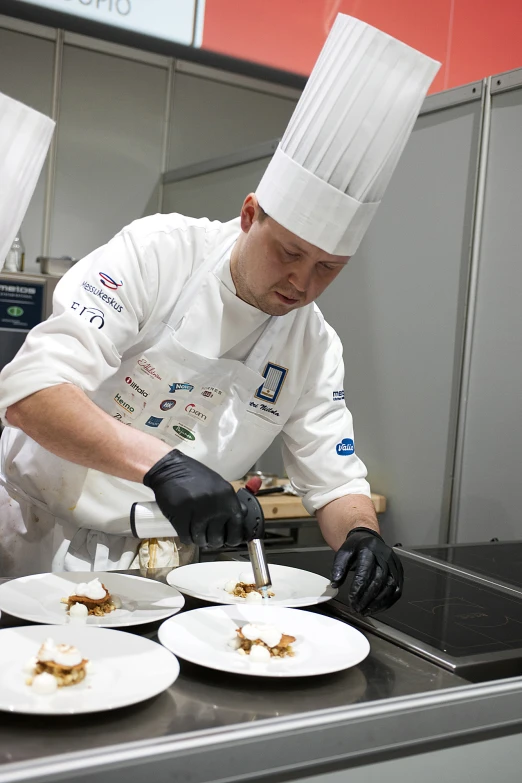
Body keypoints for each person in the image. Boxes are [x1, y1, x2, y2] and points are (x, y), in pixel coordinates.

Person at [0, 14, 439, 614]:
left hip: (164, 569)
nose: (301, 283)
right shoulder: (160, 252)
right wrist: (162, 464)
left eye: (329, 267)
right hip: (29, 540)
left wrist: (362, 533)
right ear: (250, 213)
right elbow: (32, 392)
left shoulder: (313, 346)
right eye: (290, 253)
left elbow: (334, 480)